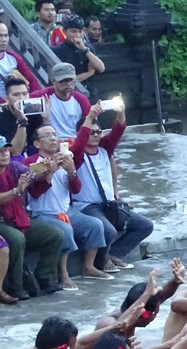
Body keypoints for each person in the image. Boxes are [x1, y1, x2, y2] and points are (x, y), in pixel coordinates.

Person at [25, 122, 108, 289]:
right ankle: (63, 274)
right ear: (37, 143)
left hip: (66, 211)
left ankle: (88, 266)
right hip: (42, 213)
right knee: (65, 230)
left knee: (95, 225)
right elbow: (35, 192)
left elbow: (76, 189)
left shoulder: (66, 157)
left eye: (55, 134)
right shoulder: (32, 162)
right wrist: (51, 170)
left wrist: (71, 171)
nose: (53, 138)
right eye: (47, 136)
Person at [71, 102, 152, 271]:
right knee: (108, 230)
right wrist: (90, 117)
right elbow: (78, 145)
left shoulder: (104, 149)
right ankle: (101, 261)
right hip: (87, 206)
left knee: (145, 225)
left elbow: (118, 131)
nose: (94, 135)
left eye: (98, 132)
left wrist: (121, 112)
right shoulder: (76, 154)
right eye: (90, 132)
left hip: (110, 204)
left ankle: (115, 254)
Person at [0, 133, 63, 299]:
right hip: (1, 222)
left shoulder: (14, 167)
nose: (4, 153)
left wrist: (47, 169)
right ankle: (16, 287)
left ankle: (45, 277)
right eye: (0, 151)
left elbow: (34, 175)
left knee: (55, 234)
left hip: (19, 217)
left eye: (6, 149)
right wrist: (16, 191)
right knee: (17, 239)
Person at [32, 62, 91, 140]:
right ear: (53, 81)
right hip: (51, 141)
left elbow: (89, 123)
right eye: (63, 80)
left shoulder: (81, 99)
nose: (68, 84)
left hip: (75, 141)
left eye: (71, 80)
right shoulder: (41, 96)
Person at [53, 15, 105, 100]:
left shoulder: (88, 48)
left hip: (91, 95)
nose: (77, 35)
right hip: (71, 97)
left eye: (80, 32)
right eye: (73, 31)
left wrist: (84, 49)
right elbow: (66, 80)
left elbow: (101, 68)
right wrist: (89, 73)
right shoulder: (58, 51)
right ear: (64, 31)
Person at [1, 76, 45, 157]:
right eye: (16, 95)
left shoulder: (34, 112)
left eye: (25, 94)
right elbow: (14, 153)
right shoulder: (2, 116)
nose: (21, 98)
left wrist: (46, 118)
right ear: (7, 99)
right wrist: (22, 121)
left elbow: (43, 142)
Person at [0, 23, 40, 99]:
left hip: (17, 102)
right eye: (0, 36)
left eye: (6, 35)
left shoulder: (13, 57)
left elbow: (32, 82)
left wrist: (30, 99)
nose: (4, 39)